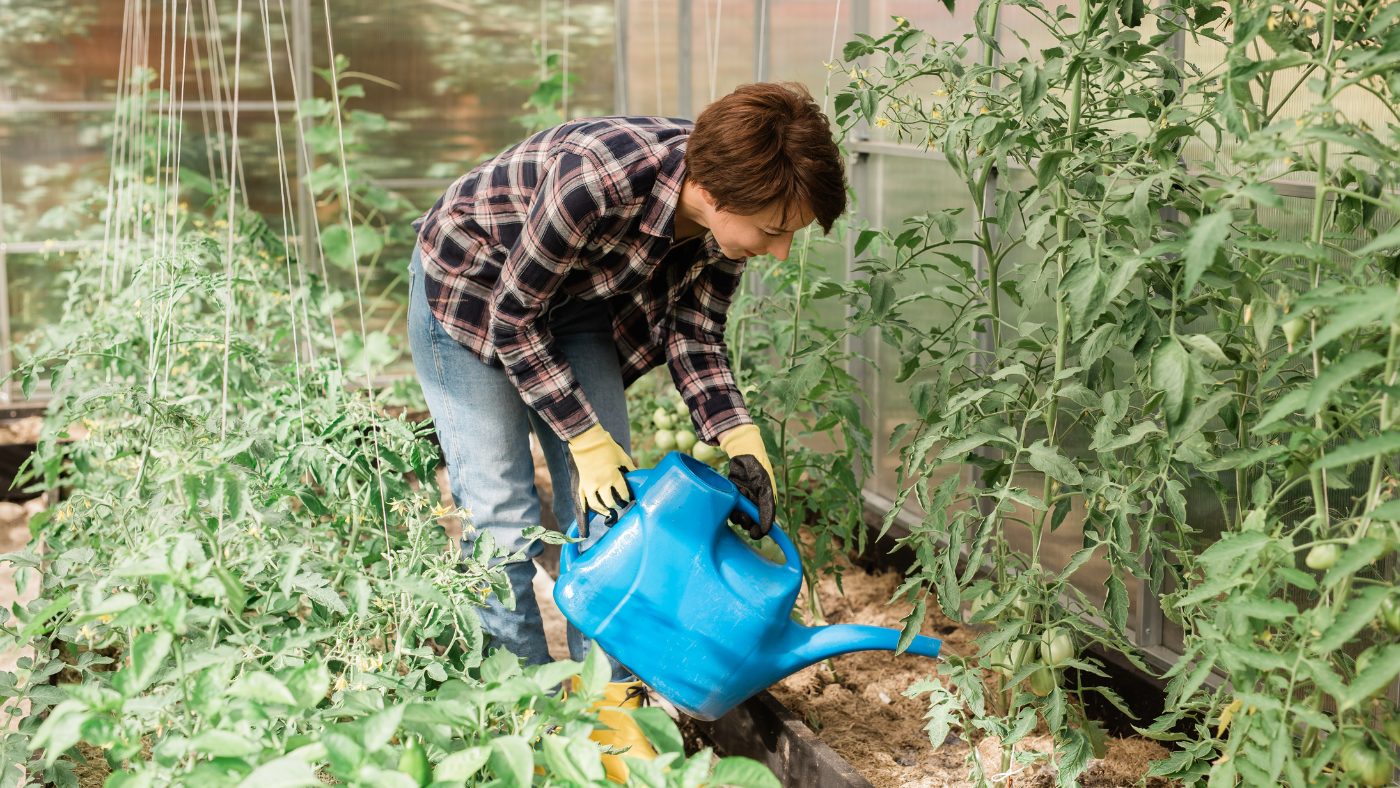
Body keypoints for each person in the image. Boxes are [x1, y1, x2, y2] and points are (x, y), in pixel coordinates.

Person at [407, 81, 846, 780]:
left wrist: (741, 438)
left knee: (613, 517)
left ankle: (609, 717)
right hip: (471, 294)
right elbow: (513, 319)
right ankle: (521, 716)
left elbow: (695, 334)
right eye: (774, 230)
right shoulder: (599, 181)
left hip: (574, 303)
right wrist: (584, 441)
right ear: (709, 192)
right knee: (502, 517)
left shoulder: (724, 217)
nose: (783, 251)